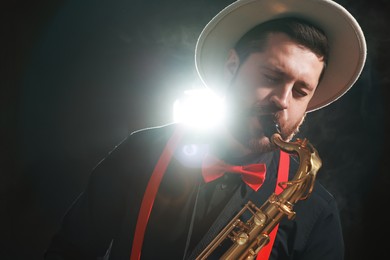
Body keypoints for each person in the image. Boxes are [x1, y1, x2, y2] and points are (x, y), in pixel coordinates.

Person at [44, 0, 366, 259]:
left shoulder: (316, 211)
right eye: (270, 77)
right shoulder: (140, 152)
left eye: (300, 92)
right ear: (231, 66)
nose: (282, 101)